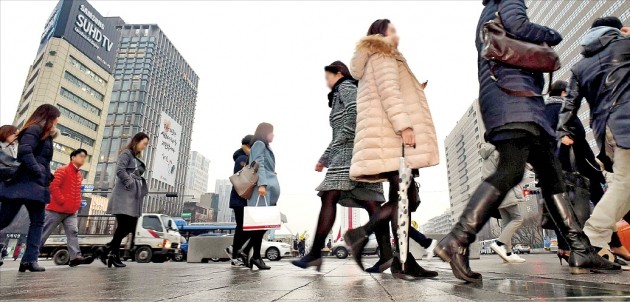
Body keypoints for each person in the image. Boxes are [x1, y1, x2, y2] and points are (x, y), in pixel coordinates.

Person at [435, 0, 620, 283]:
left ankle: (580, 249)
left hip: (518, 100)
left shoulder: (489, 10)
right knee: (511, 169)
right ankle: (457, 239)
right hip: (513, 97)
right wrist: (552, 34)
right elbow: (520, 26)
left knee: (552, 175)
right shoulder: (508, 0)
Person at [343, 19, 440, 279]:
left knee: (402, 198)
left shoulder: (374, 57)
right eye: (392, 30)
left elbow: (388, 91)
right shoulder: (383, 54)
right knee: (403, 198)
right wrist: (404, 125)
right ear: (381, 34)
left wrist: (414, 91)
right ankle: (366, 238)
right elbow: (389, 93)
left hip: (386, 138)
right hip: (393, 138)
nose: (397, 34)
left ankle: (402, 261)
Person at [291, 61, 389, 272]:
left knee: (329, 196)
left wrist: (337, 147)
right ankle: (387, 254)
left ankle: (315, 254)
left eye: (328, 77)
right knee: (372, 204)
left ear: (339, 73)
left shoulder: (345, 87)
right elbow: (340, 132)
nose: (327, 82)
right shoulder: (341, 93)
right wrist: (324, 158)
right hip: (355, 152)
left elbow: (354, 116)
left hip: (349, 154)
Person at [557, 17, 630, 266]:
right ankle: (592, 238)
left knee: (624, 185)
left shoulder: (580, 66)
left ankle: (594, 240)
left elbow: (569, 105)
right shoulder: (624, 45)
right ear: (615, 30)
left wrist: (562, 130)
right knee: (623, 185)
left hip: (608, 130)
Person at [545, 80, 629, 267]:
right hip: (578, 169)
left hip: (552, 170)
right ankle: (613, 244)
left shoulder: (542, 112)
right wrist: (596, 169)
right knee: (604, 199)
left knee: (562, 208)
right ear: (564, 93)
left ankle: (566, 248)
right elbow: (581, 143)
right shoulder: (565, 110)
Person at [0, 104, 60, 272]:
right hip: (22, 183)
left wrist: (47, 175)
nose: (57, 121)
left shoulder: (46, 135)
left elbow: (42, 160)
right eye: (56, 117)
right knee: (4, 219)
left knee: (38, 221)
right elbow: (25, 151)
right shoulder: (34, 129)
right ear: (49, 116)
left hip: (36, 185)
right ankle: (29, 260)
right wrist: (38, 171)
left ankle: (29, 260)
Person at [100, 132, 150, 268]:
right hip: (123, 194)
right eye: (144, 143)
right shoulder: (127, 153)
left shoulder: (135, 157)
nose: (145, 147)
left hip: (132, 196)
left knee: (130, 225)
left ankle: (106, 250)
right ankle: (113, 254)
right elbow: (120, 170)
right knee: (124, 225)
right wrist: (130, 182)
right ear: (137, 141)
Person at [39, 149, 92, 267]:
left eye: (85, 157)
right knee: (44, 232)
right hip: (56, 209)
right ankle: (31, 255)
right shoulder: (62, 170)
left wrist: (77, 204)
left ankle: (75, 257)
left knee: (73, 232)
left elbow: (77, 192)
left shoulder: (79, 175)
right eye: (81, 156)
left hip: (71, 211)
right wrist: (62, 200)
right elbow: (53, 186)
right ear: (73, 157)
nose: (83, 159)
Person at [479, 142, 527, 263]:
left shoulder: (486, 157)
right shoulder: (497, 153)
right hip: (505, 191)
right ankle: (499, 244)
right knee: (517, 218)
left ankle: (508, 253)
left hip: (494, 193)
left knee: (506, 222)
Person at [246, 123, 280, 270]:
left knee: (261, 225)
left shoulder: (263, 145)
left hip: (267, 190)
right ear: (265, 132)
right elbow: (258, 163)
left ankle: (249, 253)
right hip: (263, 190)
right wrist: (262, 184)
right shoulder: (259, 144)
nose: (273, 135)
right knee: (259, 225)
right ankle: (254, 256)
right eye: (271, 132)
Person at [227, 134, 254, 267]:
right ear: (249, 145)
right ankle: (235, 253)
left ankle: (236, 253)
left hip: (241, 198)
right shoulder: (242, 158)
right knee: (244, 228)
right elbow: (243, 177)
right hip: (241, 198)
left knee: (244, 227)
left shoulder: (243, 156)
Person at [0, 124, 18, 267]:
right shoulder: (1, 147)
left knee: (4, 220)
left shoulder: (13, 148)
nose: (16, 136)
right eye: (14, 133)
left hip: (7, 188)